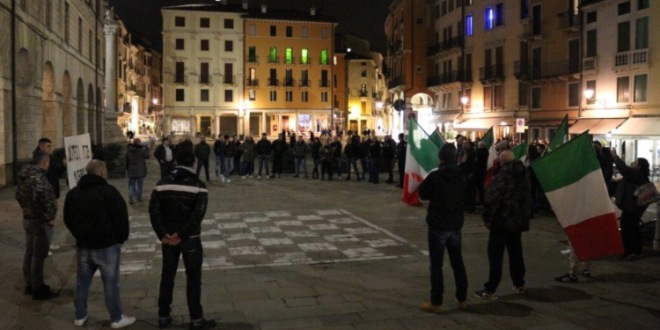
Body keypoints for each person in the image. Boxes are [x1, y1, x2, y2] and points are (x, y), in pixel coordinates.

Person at [63, 160, 136, 328]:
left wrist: (78, 234)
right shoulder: (109, 192)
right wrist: (121, 238)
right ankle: (116, 317)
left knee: (82, 281)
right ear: (102, 172)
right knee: (110, 282)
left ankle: (80, 315)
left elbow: (68, 218)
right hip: (107, 245)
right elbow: (120, 218)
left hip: (84, 245)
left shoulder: (74, 193)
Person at [149, 150, 216, 330]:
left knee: (167, 276)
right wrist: (182, 234)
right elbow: (197, 215)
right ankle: (196, 318)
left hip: (168, 239)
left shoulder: (161, 184)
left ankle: (163, 315)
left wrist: (164, 234)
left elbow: (154, 212)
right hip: (190, 239)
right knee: (193, 278)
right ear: (193, 161)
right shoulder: (198, 185)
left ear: (176, 161)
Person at [417, 144, 469, 313]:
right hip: (455, 223)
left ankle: (436, 301)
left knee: (436, 264)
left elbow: (423, 194)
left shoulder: (436, 175)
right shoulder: (462, 175)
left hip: (439, 223)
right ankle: (462, 298)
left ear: (441, 158)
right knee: (458, 262)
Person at [474, 150, 532, 300]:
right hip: (517, 221)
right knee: (516, 253)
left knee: (495, 256)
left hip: (501, 221)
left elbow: (492, 199)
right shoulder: (523, 175)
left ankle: (491, 288)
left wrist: (487, 218)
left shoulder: (503, 176)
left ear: (501, 162)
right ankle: (519, 283)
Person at [16, 151, 59, 300]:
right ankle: (38, 287)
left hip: (28, 218)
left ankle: (30, 283)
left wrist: (26, 210)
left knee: (30, 252)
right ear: (45, 162)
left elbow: (18, 196)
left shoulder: (25, 176)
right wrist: (48, 218)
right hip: (39, 221)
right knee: (38, 255)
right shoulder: (37, 178)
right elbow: (41, 198)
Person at [612, 149, 650, 261]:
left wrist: (616, 157)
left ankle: (628, 252)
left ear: (638, 167)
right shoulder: (639, 175)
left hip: (631, 207)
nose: (632, 163)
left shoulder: (636, 174)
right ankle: (637, 251)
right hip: (634, 207)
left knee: (627, 229)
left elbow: (625, 170)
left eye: (634, 162)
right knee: (635, 228)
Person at [125, 138, 150, 204]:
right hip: (140, 169)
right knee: (140, 185)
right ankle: (139, 197)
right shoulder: (141, 150)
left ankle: (131, 198)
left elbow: (126, 160)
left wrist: (127, 168)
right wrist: (147, 149)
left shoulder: (129, 150)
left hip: (131, 169)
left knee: (131, 185)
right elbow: (147, 156)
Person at [458, 139, 476, 212]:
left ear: (469, 144)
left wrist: (472, 173)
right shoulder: (462, 152)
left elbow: (474, 164)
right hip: (463, 173)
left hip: (469, 173)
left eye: (465, 143)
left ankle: (470, 207)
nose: (464, 145)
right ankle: (465, 206)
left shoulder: (472, 152)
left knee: (470, 191)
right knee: (465, 191)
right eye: (463, 143)